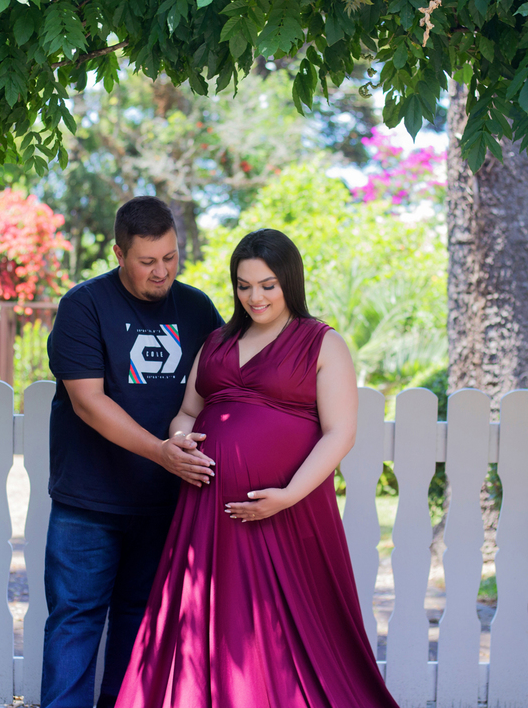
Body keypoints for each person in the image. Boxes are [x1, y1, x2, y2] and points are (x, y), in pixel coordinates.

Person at [114, 228, 401, 708]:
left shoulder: (321, 343)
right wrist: (180, 439)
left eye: (267, 284)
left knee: (287, 623)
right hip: (206, 506)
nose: (255, 297)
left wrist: (288, 495)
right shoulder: (218, 341)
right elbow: (188, 410)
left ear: (289, 280)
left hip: (288, 509)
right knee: (209, 616)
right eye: (244, 285)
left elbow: (340, 433)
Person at [43, 196, 224, 708]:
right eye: (147, 261)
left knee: (141, 621)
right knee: (75, 621)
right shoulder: (83, 306)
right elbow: (88, 402)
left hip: (166, 503)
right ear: (119, 252)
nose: (161, 271)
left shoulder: (196, 309)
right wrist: (161, 451)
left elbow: (221, 387)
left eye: (170, 257)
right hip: (89, 503)